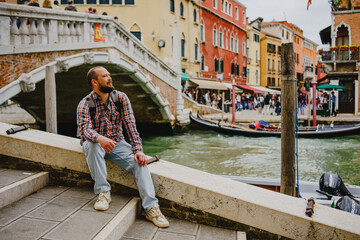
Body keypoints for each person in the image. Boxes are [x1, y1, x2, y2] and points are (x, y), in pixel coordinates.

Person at [76, 66, 169, 228]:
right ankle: (103, 192)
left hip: (117, 143)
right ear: (94, 82)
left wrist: (138, 150)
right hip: (94, 143)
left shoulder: (121, 98)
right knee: (92, 145)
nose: (109, 78)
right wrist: (100, 139)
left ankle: (151, 208)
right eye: (104, 76)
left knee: (140, 162)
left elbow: (130, 125)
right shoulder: (85, 103)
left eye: (109, 75)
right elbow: (85, 129)